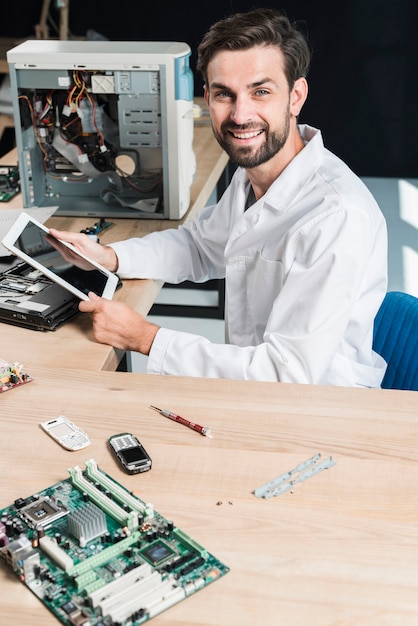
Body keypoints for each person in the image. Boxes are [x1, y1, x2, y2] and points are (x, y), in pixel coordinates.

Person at [50, 7, 388, 386]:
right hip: (253, 389)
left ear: (295, 96)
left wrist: (146, 339)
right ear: (207, 98)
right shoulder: (255, 176)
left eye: (261, 91)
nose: (241, 115)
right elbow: (200, 247)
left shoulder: (336, 216)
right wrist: (109, 257)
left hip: (316, 412)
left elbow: (287, 373)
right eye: (226, 94)